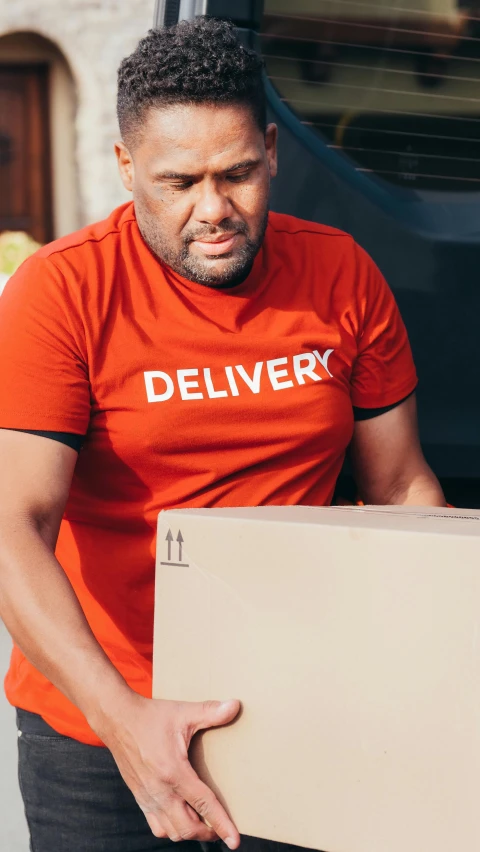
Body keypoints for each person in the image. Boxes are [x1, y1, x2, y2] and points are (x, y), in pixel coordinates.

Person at [0, 16, 444, 852]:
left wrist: (426, 660)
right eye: (180, 182)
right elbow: (11, 527)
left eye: (238, 173)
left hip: (297, 715)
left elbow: (400, 488)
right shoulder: (60, 293)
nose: (215, 211)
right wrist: (127, 726)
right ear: (126, 167)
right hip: (98, 737)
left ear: (273, 150)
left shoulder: (341, 273)